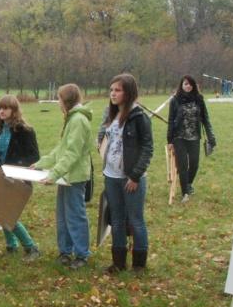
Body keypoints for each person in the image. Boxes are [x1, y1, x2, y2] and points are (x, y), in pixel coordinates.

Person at [33, 83, 93, 268]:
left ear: (66, 100)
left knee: (75, 215)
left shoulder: (78, 121)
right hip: (65, 176)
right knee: (62, 216)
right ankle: (65, 252)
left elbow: (72, 153)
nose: (58, 102)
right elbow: (61, 149)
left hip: (74, 177)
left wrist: (54, 173)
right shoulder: (71, 118)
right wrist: (41, 164)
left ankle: (82, 254)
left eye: (59, 99)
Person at [98, 73, 153, 273]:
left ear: (128, 93)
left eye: (118, 90)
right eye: (111, 90)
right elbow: (103, 135)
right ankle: (118, 262)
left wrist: (135, 176)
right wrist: (100, 142)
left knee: (136, 219)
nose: (113, 94)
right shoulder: (110, 114)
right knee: (117, 219)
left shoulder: (139, 117)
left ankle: (139, 264)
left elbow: (148, 148)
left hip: (131, 178)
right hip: (111, 176)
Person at [0, 95, 40, 258]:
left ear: (14, 110)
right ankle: (11, 246)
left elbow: (34, 156)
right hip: (0, 177)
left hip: (18, 178)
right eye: (0, 108)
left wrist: (12, 168)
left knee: (8, 214)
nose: (1, 111)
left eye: (6, 108)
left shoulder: (25, 130)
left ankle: (31, 248)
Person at [166, 75, 216, 202]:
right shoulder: (175, 100)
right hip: (179, 137)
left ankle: (188, 184)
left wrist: (211, 136)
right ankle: (185, 193)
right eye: (185, 84)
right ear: (181, 85)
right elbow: (171, 121)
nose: (188, 86)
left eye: (190, 84)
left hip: (194, 137)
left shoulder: (199, 99)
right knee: (182, 166)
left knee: (194, 164)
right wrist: (170, 141)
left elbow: (205, 119)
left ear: (193, 86)